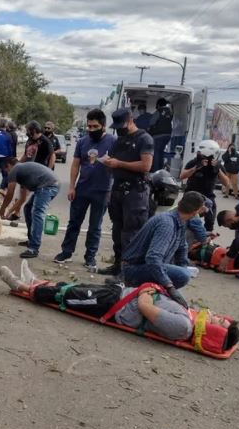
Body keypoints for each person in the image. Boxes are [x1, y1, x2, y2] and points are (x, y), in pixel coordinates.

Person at [0, 261, 237, 342]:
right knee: (76, 288)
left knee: (69, 297)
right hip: (122, 295)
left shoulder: (183, 328)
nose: (217, 316)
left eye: (220, 322)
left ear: (214, 332)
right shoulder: (191, 318)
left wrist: (150, 290)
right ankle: (36, 281)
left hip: (118, 307)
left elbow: (145, 307)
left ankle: (24, 288)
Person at [107, 191, 207, 309]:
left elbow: (182, 248)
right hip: (133, 269)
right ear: (196, 212)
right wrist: (169, 286)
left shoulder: (179, 221)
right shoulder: (167, 224)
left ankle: (157, 294)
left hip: (142, 266)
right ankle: (136, 288)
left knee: (182, 271)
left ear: (179, 202)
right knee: (183, 275)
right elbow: (153, 258)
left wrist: (182, 267)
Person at [54, 109, 116, 272]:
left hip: (102, 191)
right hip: (82, 189)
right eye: (89, 126)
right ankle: (66, 252)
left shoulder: (113, 141)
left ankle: (90, 258)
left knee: (95, 226)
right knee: (74, 222)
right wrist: (72, 187)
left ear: (103, 126)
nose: (91, 129)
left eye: (95, 126)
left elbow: (118, 164)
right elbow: (75, 164)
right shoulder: (82, 142)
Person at [96, 107, 155, 276]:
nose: (119, 129)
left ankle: (128, 272)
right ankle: (118, 265)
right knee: (117, 230)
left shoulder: (144, 139)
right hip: (118, 189)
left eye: (122, 125)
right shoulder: (118, 140)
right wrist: (108, 164)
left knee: (132, 233)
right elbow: (112, 161)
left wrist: (118, 164)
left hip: (136, 191)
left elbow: (146, 166)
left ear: (130, 121)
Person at [0, 158, 61, 259]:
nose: (8, 173)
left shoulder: (15, 169)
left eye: (7, 170)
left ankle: (33, 248)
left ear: (9, 165)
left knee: (37, 213)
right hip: (49, 185)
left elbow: (10, 193)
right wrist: (9, 212)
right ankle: (31, 240)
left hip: (48, 186)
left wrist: (2, 208)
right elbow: (22, 199)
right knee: (28, 208)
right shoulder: (24, 173)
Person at [179, 139, 230, 232]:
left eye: (209, 157)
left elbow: (227, 183)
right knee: (185, 220)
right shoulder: (194, 162)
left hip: (208, 196)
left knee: (210, 220)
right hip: (191, 195)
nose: (207, 159)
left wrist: (218, 170)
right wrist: (196, 168)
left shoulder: (217, 165)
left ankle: (206, 239)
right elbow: (182, 176)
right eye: (204, 157)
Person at [148, 98, 174, 172]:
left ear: (158, 105)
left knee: (156, 152)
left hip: (158, 136)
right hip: (168, 135)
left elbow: (151, 122)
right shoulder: (169, 111)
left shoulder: (158, 111)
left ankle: (155, 171)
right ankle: (160, 169)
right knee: (161, 152)